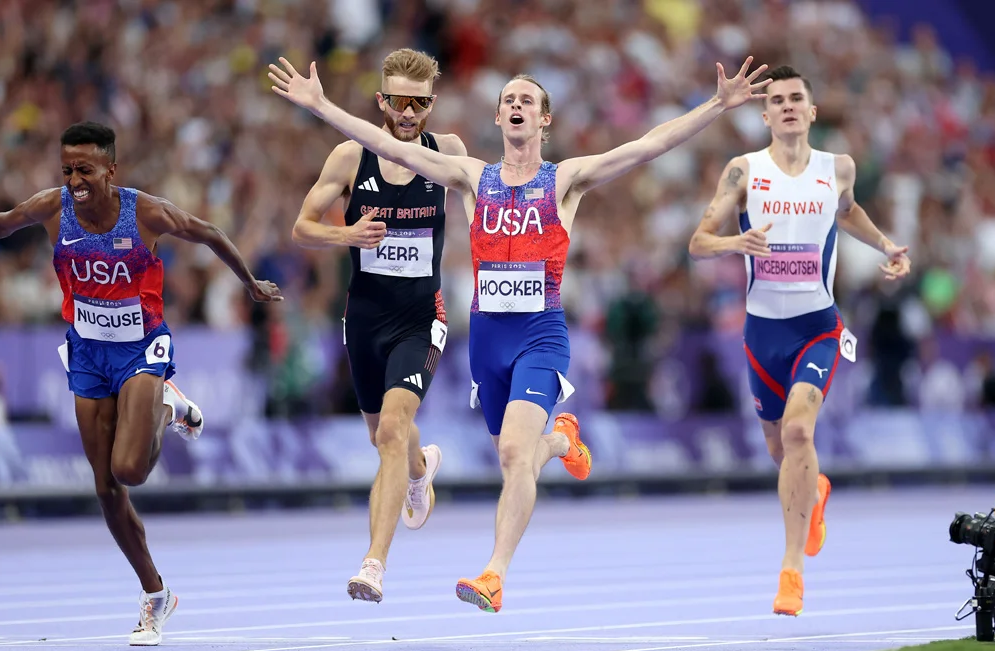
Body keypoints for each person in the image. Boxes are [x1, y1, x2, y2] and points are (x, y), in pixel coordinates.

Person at [269, 55, 770, 612]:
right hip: (487, 339)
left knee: (512, 454)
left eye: (526, 100)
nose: (515, 105)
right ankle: (561, 439)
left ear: (544, 120)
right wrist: (321, 106)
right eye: (508, 98)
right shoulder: (470, 177)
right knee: (520, 455)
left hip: (539, 333)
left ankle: (494, 573)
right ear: (498, 115)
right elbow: (388, 147)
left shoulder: (566, 181)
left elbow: (648, 145)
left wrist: (716, 106)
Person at [0, 121, 283, 645]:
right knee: (106, 489)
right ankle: (155, 596)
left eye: (85, 169)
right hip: (86, 351)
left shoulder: (144, 211)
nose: (75, 180)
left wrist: (251, 284)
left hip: (141, 347)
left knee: (131, 469)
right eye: (67, 169)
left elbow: (208, 233)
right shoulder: (53, 208)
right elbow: (3, 223)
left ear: (111, 169)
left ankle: (168, 407)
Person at [687, 66, 911, 617]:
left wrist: (886, 246)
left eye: (797, 99)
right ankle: (816, 490)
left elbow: (848, 211)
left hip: (817, 327)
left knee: (797, 431)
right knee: (779, 450)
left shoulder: (838, 168)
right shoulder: (743, 171)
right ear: (765, 116)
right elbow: (698, 242)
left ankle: (791, 571)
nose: (787, 106)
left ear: (812, 112)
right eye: (778, 100)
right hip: (762, 334)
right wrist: (735, 240)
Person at [291, 48, 467, 603]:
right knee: (381, 435)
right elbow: (301, 228)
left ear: (431, 104)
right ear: (380, 100)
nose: (408, 113)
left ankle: (373, 564)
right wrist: (348, 236)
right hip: (365, 318)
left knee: (391, 430)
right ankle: (421, 469)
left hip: (422, 318)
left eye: (419, 103)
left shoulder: (449, 152)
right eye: (398, 101)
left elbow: (484, 206)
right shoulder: (349, 157)